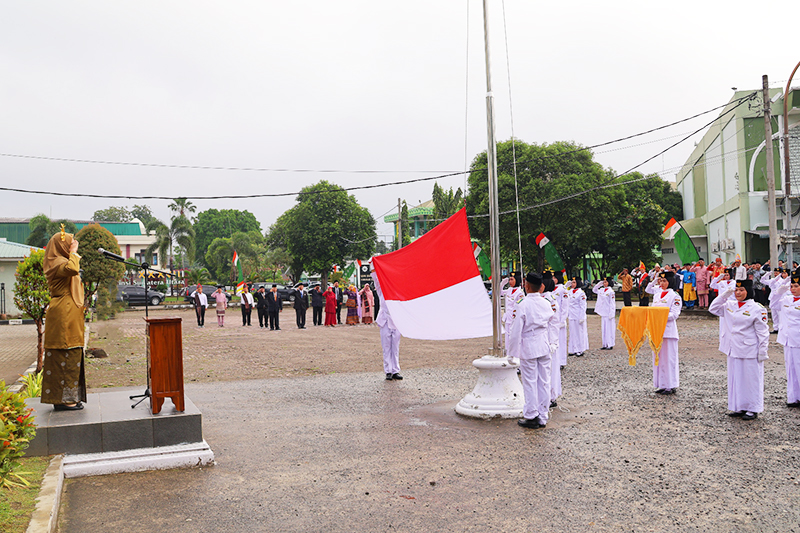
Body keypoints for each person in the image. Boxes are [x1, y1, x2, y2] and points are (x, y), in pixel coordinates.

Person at [709, 279, 769, 420]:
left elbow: (763, 332)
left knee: (751, 379)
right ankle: (739, 406)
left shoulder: (757, 308)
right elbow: (713, 309)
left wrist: (762, 351)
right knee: (736, 379)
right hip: (733, 348)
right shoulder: (729, 304)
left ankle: (753, 408)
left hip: (749, 349)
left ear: (749, 291)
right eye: (736, 290)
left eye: (741, 290)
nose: (738, 293)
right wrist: (724, 294)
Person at [41, 227, 87, 411]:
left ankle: (67, 398)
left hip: (68, 312)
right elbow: (73, 269)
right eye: (69, 244)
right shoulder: (57, 262)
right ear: (61, 246)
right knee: (65, 352)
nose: (71, 246)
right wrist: (74, 254)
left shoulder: (61, 260)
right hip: (64, 313)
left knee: (72, 351)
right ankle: (66, 400)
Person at [509, 273, 555, 429]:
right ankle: (543, 416)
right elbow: (552, 323)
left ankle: (531, 415)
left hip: (529, 345)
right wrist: (553, 342)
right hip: (544, 344)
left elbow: (516, 331)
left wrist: (512, 353)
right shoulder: (546, 302)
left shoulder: (523, 304)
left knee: (530, 382)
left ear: (527, 286)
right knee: (544, 381)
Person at [645, 271, 682, 395]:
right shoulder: (657, 294)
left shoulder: (675, 296)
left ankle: (670, 385)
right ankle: (661, 384)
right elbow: (648, 289)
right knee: (658, 359)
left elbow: (674, 314)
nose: (662, 283)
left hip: (668, 331)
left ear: (670, 282)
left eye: (664, 281)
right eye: (661, 280)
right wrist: (655, 279)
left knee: (669, 359)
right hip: (656, 331)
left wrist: (659, 315)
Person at [772, 273, 800, 408]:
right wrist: (779, 292)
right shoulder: (787, 300)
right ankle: (794, 397)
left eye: (796, 286)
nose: (793, 289)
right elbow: (773, 304)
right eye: (791, 286)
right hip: (788, 339)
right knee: (791, 368)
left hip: (798, 339)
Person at [373, 275, 402, 380]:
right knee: (386, 347)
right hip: (385, 321)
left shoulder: (398, 292)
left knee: (395, 347)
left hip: (396, 322)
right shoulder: (382, 291)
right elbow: (376, 281)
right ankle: (388, 371)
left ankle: (395, 370)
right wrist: (372, 267)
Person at [542, 273, 561, 407]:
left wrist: (553, 341)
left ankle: (551, 395)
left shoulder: (550, 299)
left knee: (551, 367)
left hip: (549, 337)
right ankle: (544, 395)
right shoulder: (541, 298)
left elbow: (555, 322)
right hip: (541, 337)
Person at [500, 271, 524, 352]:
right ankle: (508, 352)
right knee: (507, 337)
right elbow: (499, 292)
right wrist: (502, 284)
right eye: (509, 280)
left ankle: (515, 354)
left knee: (514, 337)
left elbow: (521, 306)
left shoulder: (520, 293)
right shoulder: (509, 290)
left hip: (515, 318)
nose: (510, 282)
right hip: (508, 317)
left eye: (512, 279)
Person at [566, 277, 589, 357]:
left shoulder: (581, 293)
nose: (572, 284)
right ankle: (572, 349)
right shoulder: (569, 292)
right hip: (571, 315)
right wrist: (566, 285)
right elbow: (563, 293)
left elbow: (583, 306)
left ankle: (580, 349)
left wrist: (582, 317)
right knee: (572, 333)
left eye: (574, 282)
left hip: (578, 315)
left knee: (579, 333)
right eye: (572, 282)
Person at [764, 268, 791, 334]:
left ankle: (782, 328)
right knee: (774, 315)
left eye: (785, 273)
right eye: (783, 273)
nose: (783, 275)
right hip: (775, 299)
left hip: (784, 299)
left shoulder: (789, 281)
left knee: (781, 315)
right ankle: (776, 328)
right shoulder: (776, 280)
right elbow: (765, 282)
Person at [592, 276, 616, 350]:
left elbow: (612, 303)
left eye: (605, 282)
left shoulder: (611, 291)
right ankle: (605, 344)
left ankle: (610, 344)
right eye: (604, 282)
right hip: (603, 312)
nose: (604, 283)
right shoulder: (601, 290)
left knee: (609, 329)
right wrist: (599, 284)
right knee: (604, 329)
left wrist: (612, 313)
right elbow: (594, 290)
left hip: (608, 312)